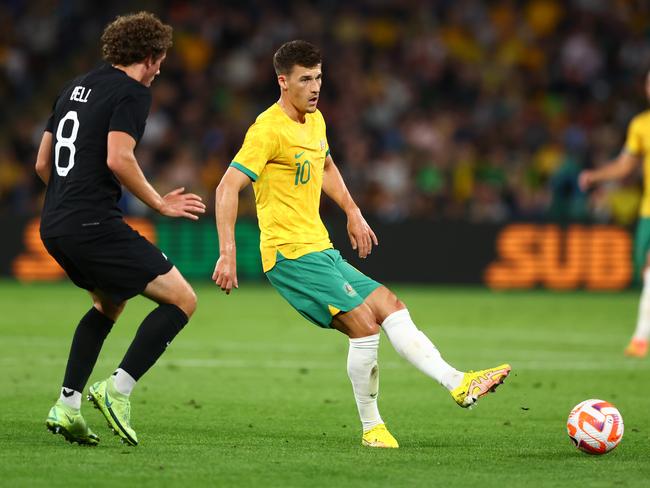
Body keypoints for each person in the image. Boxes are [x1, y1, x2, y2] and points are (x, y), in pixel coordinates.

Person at [212, 40, 511, 448]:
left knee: (390, 305)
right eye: (305, 79)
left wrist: (352, 211)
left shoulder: (314, 121)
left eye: (318, 77)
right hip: (289, 254)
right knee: (364, 327)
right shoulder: (266, 130)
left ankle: (458, 382)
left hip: (319, 247)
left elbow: (327, 165)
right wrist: (227, 253)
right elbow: (227, 187)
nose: (315, 86)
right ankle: (372, 428)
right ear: (283, 82)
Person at [37, 12, 205, 446]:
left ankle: (67, 406)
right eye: (161, 59)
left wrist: (70, 197)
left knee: (109, 304)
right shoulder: (132, 93)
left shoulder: (75, 87)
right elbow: (118, 157)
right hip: (93, 224)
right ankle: (117, 390)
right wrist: (158, 203)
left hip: (54, 223)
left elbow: (43, 164)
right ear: (148, 57)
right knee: (183, 300)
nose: (162, 69)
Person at [579, 71, 650, 359]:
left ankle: (640, 339)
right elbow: (625, 166)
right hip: (647, 212)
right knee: (644, 270)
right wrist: (596, 176)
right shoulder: (641, 125)